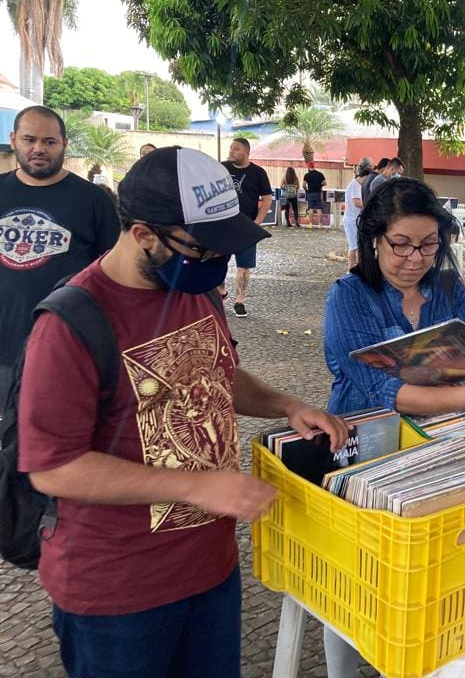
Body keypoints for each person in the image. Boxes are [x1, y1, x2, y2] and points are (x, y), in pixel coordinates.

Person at [17, 146, 348, 678]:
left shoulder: (193, 289)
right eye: (201, 249)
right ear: (144, 234)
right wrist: (196, 486)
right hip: (117, 592)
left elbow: (213, 372)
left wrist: (288, 405)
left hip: (210, 570)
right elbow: (52, 466)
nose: (215, 264)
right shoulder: (70, 324)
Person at [323, 178, 465, 434]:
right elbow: (380, 388)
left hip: (440, 431)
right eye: (401, 244)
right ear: (376, 239)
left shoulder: (448, 288)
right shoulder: (349, 295)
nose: (416, 258)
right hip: (367, 436)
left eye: (428, 243)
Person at [1, 106, 119, 394]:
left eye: (49, 142)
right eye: (29, 140)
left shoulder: (93, 200)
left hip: (65, 347)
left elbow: (113, 274)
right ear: (14, 139)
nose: (38, 148)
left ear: (64, 144)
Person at [221, 137, 273, 317]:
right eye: (230, 148)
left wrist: (256, 223)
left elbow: (267, 199)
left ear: (246, 152)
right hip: (224, 224)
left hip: (246, 226)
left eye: (235, 149)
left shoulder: (258, 173)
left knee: (244, 266)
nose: (231, 152)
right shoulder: (222, 168)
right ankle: (221, 291)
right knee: (218, 260)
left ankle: (240, 300)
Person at [340, 159, 372, 267]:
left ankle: (356, 269)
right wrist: (370, 205)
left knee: (357, 246)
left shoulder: (359, 185)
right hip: (351, 221)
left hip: (356, 220)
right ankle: (352, 269)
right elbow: (357, 202)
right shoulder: (355, 185)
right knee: (354, 247)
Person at [303, 161, 327, 229]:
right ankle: (320, 224)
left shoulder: (307, 175)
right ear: (314, 166)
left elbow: (304, 184)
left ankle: (310, 224)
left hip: (310, 193)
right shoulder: (320, 174)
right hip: (318, 193)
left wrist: (306, 190)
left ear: (308, 167)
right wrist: (319, 185)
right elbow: (324, 183)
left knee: (311, 208)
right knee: (319, 209)